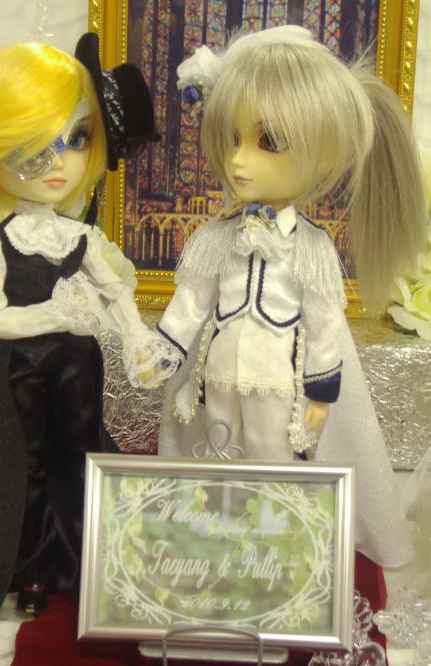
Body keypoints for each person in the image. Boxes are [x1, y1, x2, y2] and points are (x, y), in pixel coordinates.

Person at [152, 26, 427, 568]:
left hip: (278, 380)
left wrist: (320, 394)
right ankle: (217, 546)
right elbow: (191, 303)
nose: (238, 160)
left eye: (267, 142)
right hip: (218, 375)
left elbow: (324, 326)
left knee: (272, 456)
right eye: (231, 138)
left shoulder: (312, 249)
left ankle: (272, 552)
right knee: (217, 453)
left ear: (324, 153)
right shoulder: (214, 238)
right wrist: (164, 351)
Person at [0, 33, 174, 632]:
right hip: (22, 375)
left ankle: (96, 565)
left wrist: (137, 339)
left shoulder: (81, 238)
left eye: (77, 138)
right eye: (33, 146)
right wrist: (56, 314)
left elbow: (116, 292)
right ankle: (35, 571)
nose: (60, 161)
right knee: (28, 472)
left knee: (83, 459)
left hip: (76, 370)